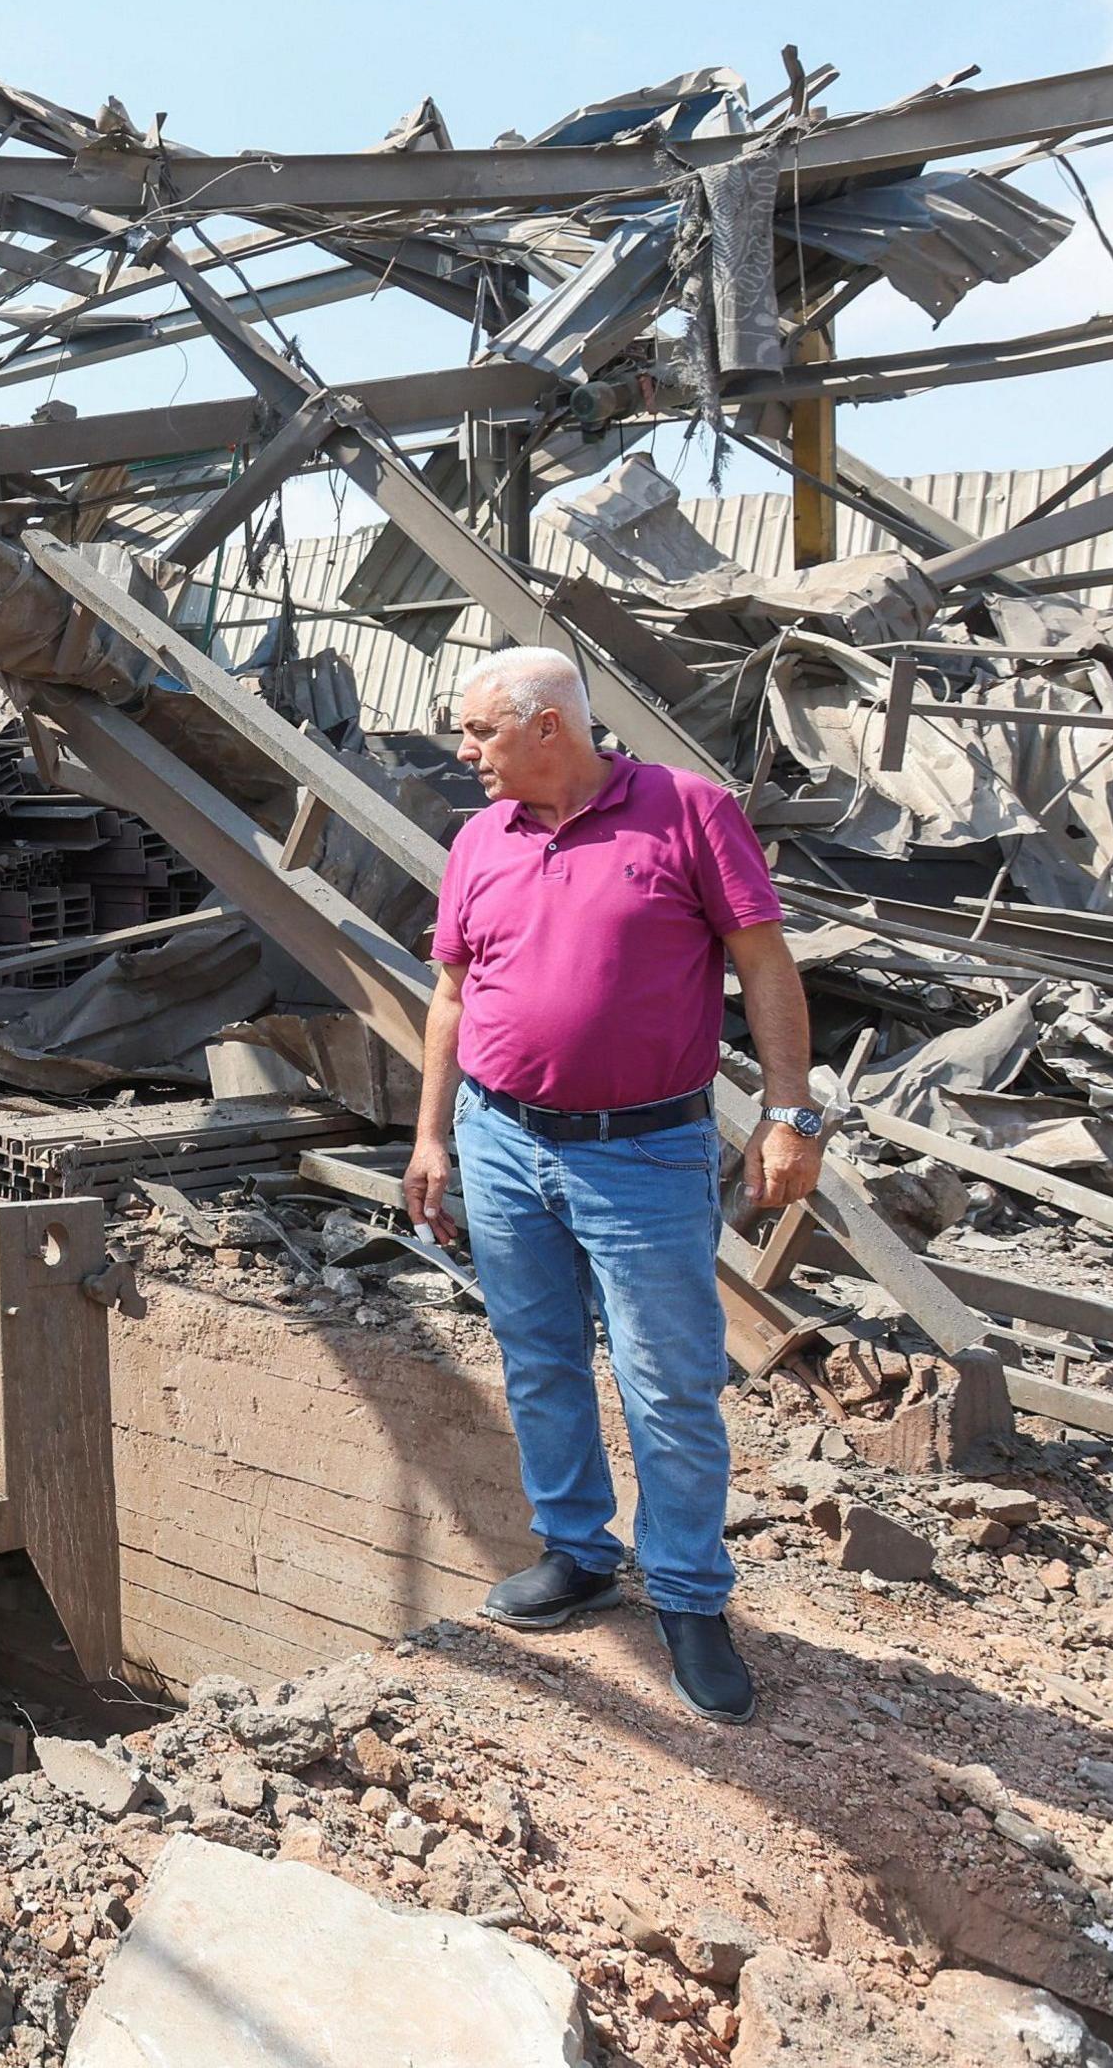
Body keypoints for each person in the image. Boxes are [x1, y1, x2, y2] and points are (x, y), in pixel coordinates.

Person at [400, 646, 823, 1724]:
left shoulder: (686, 811)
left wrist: (789, 1108)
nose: (463, 752)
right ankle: (577, 1553)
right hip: (501, 1141)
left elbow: (765, 963)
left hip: (640, 1152)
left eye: (480, 732)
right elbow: (452, 993)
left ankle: (686, 1594)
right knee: (540, 1359)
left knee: (668, 1381)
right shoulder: (479, 838)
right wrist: (433, 1134)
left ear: (550, 728)